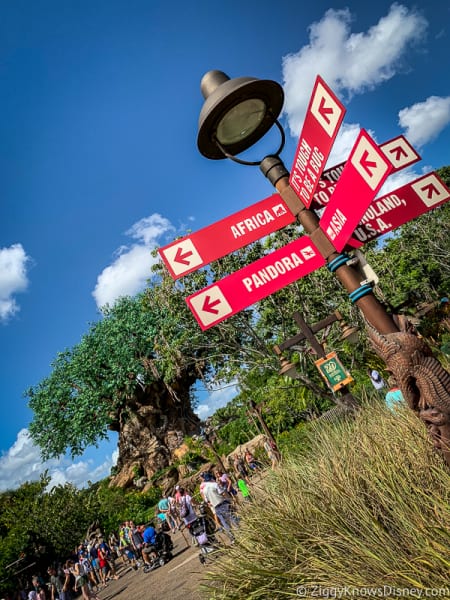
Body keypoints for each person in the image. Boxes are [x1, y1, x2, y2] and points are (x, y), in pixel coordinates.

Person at [200, 472, 239, 540]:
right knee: (232, 518)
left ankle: (232, 538)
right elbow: (223, 493)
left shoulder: (204, 490)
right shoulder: (214, 485)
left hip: (216, 507)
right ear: (210, 478)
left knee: (225, 523)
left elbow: (207, 501)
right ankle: (240, 531)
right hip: (223, 503)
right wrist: (230, 500)